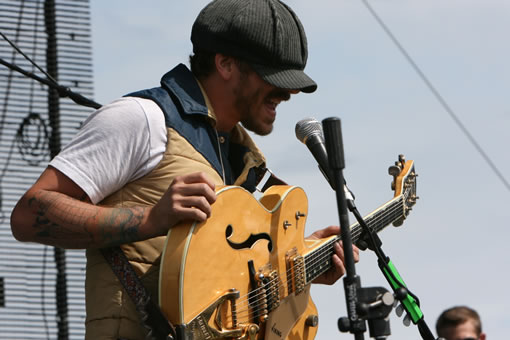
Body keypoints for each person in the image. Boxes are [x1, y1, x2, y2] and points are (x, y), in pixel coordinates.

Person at [10, 0, 359, 338]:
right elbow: (28, 214)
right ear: (224, 63)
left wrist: (294, 267)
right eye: (274, 76)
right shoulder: (141, 119)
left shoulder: (240, 155)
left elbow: (224, 286)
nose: (289, 91)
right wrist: (149, 219)